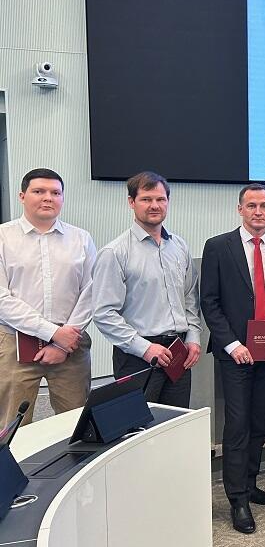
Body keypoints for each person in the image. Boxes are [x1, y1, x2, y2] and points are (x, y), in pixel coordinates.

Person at [200, 184, 265, 534]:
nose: (258, 211)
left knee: (260, 422)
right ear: (239, 209)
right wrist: (231, 344)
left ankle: (251, 482)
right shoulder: (218, 246)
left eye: (264, 206)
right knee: (238, 425)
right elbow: (209, 302)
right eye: (251, 205)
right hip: (236, 354)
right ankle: (237, 498)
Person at [93, 171, 201, 406]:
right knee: (137, 425)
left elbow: (190, 297)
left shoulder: (179, 246)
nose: (155, 205)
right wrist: (144, 348)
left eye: (160, 199)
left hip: (178, 353)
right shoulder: (114, 252)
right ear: (131, 202)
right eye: (146, 199)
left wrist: (193, 337)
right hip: (137, 356)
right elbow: (103, 313)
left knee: (177, 421)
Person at [0, 169, 96, 425]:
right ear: (22, 196)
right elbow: (2, 299)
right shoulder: (2, 237)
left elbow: (91, 291)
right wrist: (53, 333)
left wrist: (64, 342)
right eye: (38, 191)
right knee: (12, 425)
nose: (48, 198)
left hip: (71, 344)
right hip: (15, 343)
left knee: (76, 423)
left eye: (55, 193)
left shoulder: (81, 238)